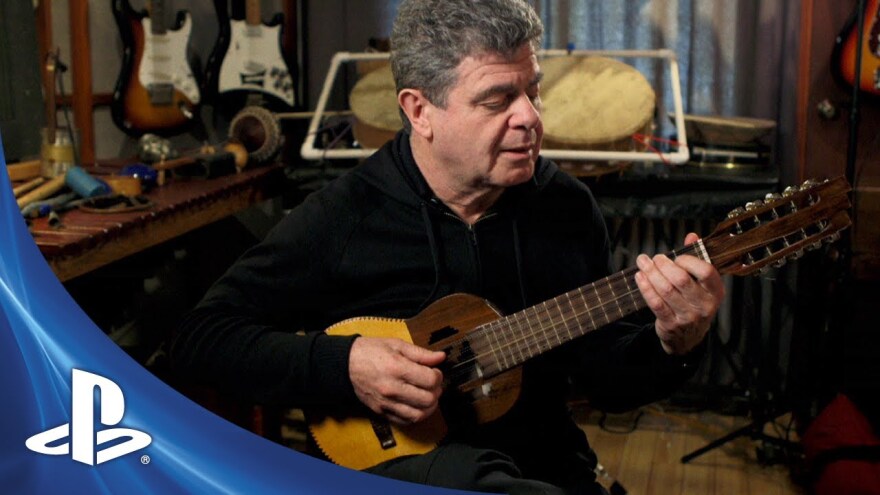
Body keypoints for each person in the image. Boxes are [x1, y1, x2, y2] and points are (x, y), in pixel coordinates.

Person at [170, 0, 724, 493]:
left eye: (532, 90)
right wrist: (346, 364)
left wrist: (674, 342)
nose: (530, 117)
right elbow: (201, 338)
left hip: (542, 464)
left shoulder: (568, 208)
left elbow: (608, 385)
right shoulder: (343, 215)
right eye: (497, 99)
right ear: (419, 111)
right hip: (399, 470)